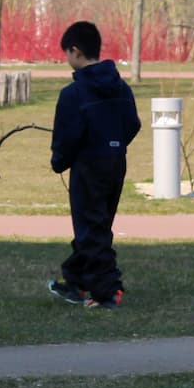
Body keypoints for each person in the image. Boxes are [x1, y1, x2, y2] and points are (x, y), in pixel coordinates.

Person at [48, 20, 140, 310]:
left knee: (91, 227)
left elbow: (66, 138)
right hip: (114, 165)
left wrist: (59, 161)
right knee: (97, 224)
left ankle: (107, 290)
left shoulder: (73, 94)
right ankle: (76, 279)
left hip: (87, 168)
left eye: (67, 53)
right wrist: (114, 144)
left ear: (75, 51)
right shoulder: (121, 87)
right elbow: (132, 124)